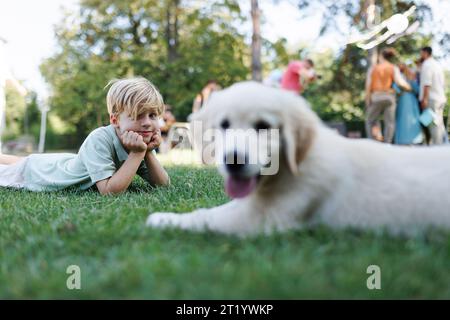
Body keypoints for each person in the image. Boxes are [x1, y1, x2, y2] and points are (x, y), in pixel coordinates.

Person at [0, 77, 170, 194]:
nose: (147, 122)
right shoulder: (100, 139)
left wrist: (147, 153)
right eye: (138, 115)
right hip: (38, 174)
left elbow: (163, 185)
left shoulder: (139, 141)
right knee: (22, 165)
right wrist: (137, 154)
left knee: (25, 161)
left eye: (152, 115)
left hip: (56, 163)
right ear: (115, 120)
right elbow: (109, 191)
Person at [364, 48, 411, 143]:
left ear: (381, 55)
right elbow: (400, 82)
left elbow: (368, 86)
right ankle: (387, 143)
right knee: (390, 122)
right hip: (389, 97)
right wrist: (409, 87)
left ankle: (372, 142)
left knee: (370, 120)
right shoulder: (393, 67)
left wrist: (367, 100)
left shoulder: (373, 68)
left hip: (376, 97)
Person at [418, 46, 447, 145]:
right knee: (439, 123)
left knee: (433, 124)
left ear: (425, 53)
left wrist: (424, 99)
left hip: (431, 98)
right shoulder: (437, 64)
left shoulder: (427, 64)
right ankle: (443, 146)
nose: (420, 55)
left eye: (421, 53)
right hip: (440, 98)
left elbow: (427, 83)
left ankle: (437, 148)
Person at [394, 63, 423, 145]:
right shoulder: (401, 77)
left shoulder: (408, 77)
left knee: (409, 119)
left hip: (408, 100)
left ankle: (409, 140)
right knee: (405, 119)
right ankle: (407, 140)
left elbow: (417, 89)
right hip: (406, 101)